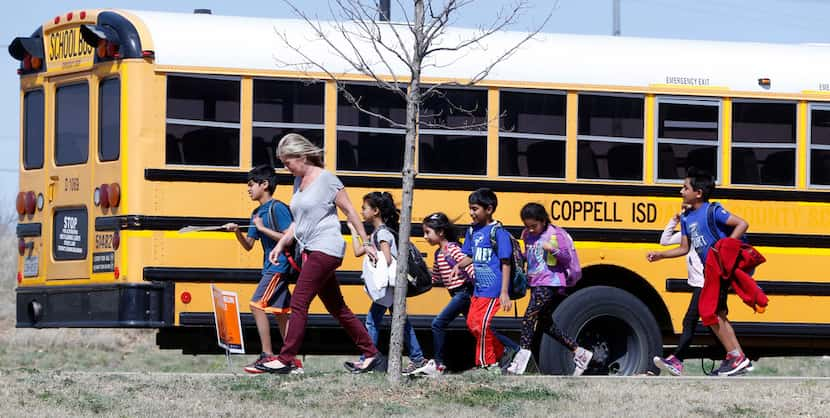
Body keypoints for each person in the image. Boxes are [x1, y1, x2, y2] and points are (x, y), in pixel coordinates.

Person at [258, 133, 386, 374]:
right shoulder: (298, 181)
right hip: (311, 249)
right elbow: (298, 222)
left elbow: (350, 212)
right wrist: (280, 245)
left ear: (302, 156)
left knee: (298, 301)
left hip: (326, 248)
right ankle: (373, 355)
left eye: (288, 162)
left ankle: (286, 359)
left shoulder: (327, 180)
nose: (285, 168)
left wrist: (366, 242)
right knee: (338, 308)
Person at [647, 167, 751, 376]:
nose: (681, 192)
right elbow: (684, 248)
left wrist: (726, 248)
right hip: (708, 273)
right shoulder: (686, 219)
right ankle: (738, 358)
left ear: (698, 193)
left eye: (685, 188)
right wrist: (661, 255)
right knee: (717, 314)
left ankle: (735, 356)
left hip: (720, 270)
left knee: (710, 313)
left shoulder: (713, 211)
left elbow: (742, 223)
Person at [222, 165, 297, 374]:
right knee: (281, 313)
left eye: (251, 185)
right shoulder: (256, 213)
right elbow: (248, 245)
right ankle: (292, 360)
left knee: (256, 305)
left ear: (264, 185)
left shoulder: (277, 208)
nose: (248, 189)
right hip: (269, 268)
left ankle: (267, 355)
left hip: (278, 266)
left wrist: (263, 228)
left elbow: (288, 238)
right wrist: (236, 231)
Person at [344, 191, 427, 374]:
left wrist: (375, 260)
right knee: (401, 321)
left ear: (376, 211)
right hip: (391, 286)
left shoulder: (382, 233)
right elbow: (359, 251)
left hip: (389, 286)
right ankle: (418, 358)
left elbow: (387, 259)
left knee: (373, 321)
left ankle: (368, 358)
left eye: (364, 208)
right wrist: (353, 230)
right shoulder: (377, 233)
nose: (362, 211)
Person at [506, 203, 593, 376]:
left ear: (543, 220)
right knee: (546, 324)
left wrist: (552, 249)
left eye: (534, 226)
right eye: (527, 226)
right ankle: (580, 353)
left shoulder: (555, 233)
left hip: (550, 282)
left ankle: (521, 359)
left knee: (529, 317)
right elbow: (530, 256)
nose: (531, 230)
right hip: (535, 281)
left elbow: (567, 258)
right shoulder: (527, 235)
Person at [452, 188, 520, 371]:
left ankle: (487, 364)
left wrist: (504, 292)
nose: (471, 213)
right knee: (472, 324)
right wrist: (459, 265)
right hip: (479, 289)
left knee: (481, 325)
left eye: (475, 209)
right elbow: (470, 255)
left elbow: (506, 263)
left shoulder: (498, 233)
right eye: (470, 208)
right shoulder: (472, 231)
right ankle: (503, 350)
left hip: (494, 289)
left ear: (488, 209)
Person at [651, 204, 705, 376]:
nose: (683, 213)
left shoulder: (699, 230)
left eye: (686, 210)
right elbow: (664, 241)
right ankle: (734, 356)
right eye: (682, 210)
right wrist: (674, 221)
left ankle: (677, 360)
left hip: (705, 282)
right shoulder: (686, 232)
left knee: (691, 321)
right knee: (710, 322)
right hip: (699, 283)